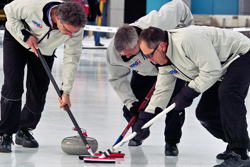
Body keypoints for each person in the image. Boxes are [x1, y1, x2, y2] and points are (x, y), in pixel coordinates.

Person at [136, 25, 250, 166]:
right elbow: (162, 90)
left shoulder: (186, 40)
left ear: (162, 46)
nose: (149, 60)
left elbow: (211, 71)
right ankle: (238, 141)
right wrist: (146, 118)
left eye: (149, 55)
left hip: (240, 54)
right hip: (219, 68)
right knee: (205, 113)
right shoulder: (165, 62)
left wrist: (187, 93)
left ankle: (240, 154)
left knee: (228, 93)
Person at [106, 0, 193, 156]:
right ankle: (138, 133)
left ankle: (171, 142)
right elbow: (117, 78)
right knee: (131, 109)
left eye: (130, 53)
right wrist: (130, 103)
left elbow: (179, 5)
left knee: (175, 107)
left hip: (172, 68)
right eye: (123, 54)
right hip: (144, 74)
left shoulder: (157, 23)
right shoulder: (113, 52)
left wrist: (186, 30)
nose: (126, 56)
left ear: (139, 41)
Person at [0, 0, 87, 153]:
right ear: (58, 18)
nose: (70, 35)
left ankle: (24, 128)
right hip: (17, 40)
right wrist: (25, 34)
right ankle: (5, 133)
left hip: (44, 49)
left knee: (38, 91)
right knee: (13, 86)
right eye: (67, 31)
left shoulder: (75, 30)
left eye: (73, 32)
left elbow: (71, 58)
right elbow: (9, 11)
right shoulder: (33, 6)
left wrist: (65, 91)